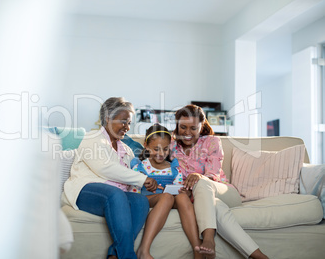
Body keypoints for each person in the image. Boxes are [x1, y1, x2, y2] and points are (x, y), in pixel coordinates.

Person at [61, 97, 159, 259]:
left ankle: (115, 254)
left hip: (115, 198)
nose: (127, 127)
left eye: (129, 123)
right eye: (123, 121)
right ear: (107, 118)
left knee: (139, 201)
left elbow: (128, 179)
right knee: (115, 194)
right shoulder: (91, 139)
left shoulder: (126, 150)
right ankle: (128, 256)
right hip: (85, 192)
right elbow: (105, 167)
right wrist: (142, 179)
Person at [171, 104, 269, 259]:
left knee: (201, 182)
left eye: (193, 128)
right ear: (176, 125)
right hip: (202, 199)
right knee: (217, 209)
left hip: (224, 191)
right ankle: (259, 256)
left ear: (201, 126)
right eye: (183, 127)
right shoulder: (171, 146)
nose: (187, 133)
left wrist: (199, 177)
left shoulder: (212, 141)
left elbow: (213, 172)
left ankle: (208, 239)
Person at [129, 124, 211, 259]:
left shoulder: (173, 168)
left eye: (165, 149)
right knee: (166, 197)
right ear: (146, 146)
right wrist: (146, 183)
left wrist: (185, 192)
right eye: (156, 149)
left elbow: (179, 189)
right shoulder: (140, 167)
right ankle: (143, 250)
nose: (161, 154)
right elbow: (133, 194)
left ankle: (197, 249)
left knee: (181, 198)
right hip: (146, 199)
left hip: (168, 199)